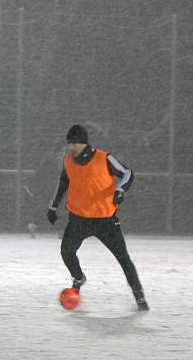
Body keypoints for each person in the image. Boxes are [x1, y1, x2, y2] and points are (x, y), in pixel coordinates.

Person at [47, 124, 148, 311]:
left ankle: (139, 297)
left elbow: (128, 173)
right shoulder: (68, 161)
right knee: (66, 252)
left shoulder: (104, 158)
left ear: (79, 143)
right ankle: (79, 278)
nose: (68, 147)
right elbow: (62, 185)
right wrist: (53, 207)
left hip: (105, 221)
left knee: (123, 259)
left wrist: (120, 190)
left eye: (70, 143)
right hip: (79, 219)